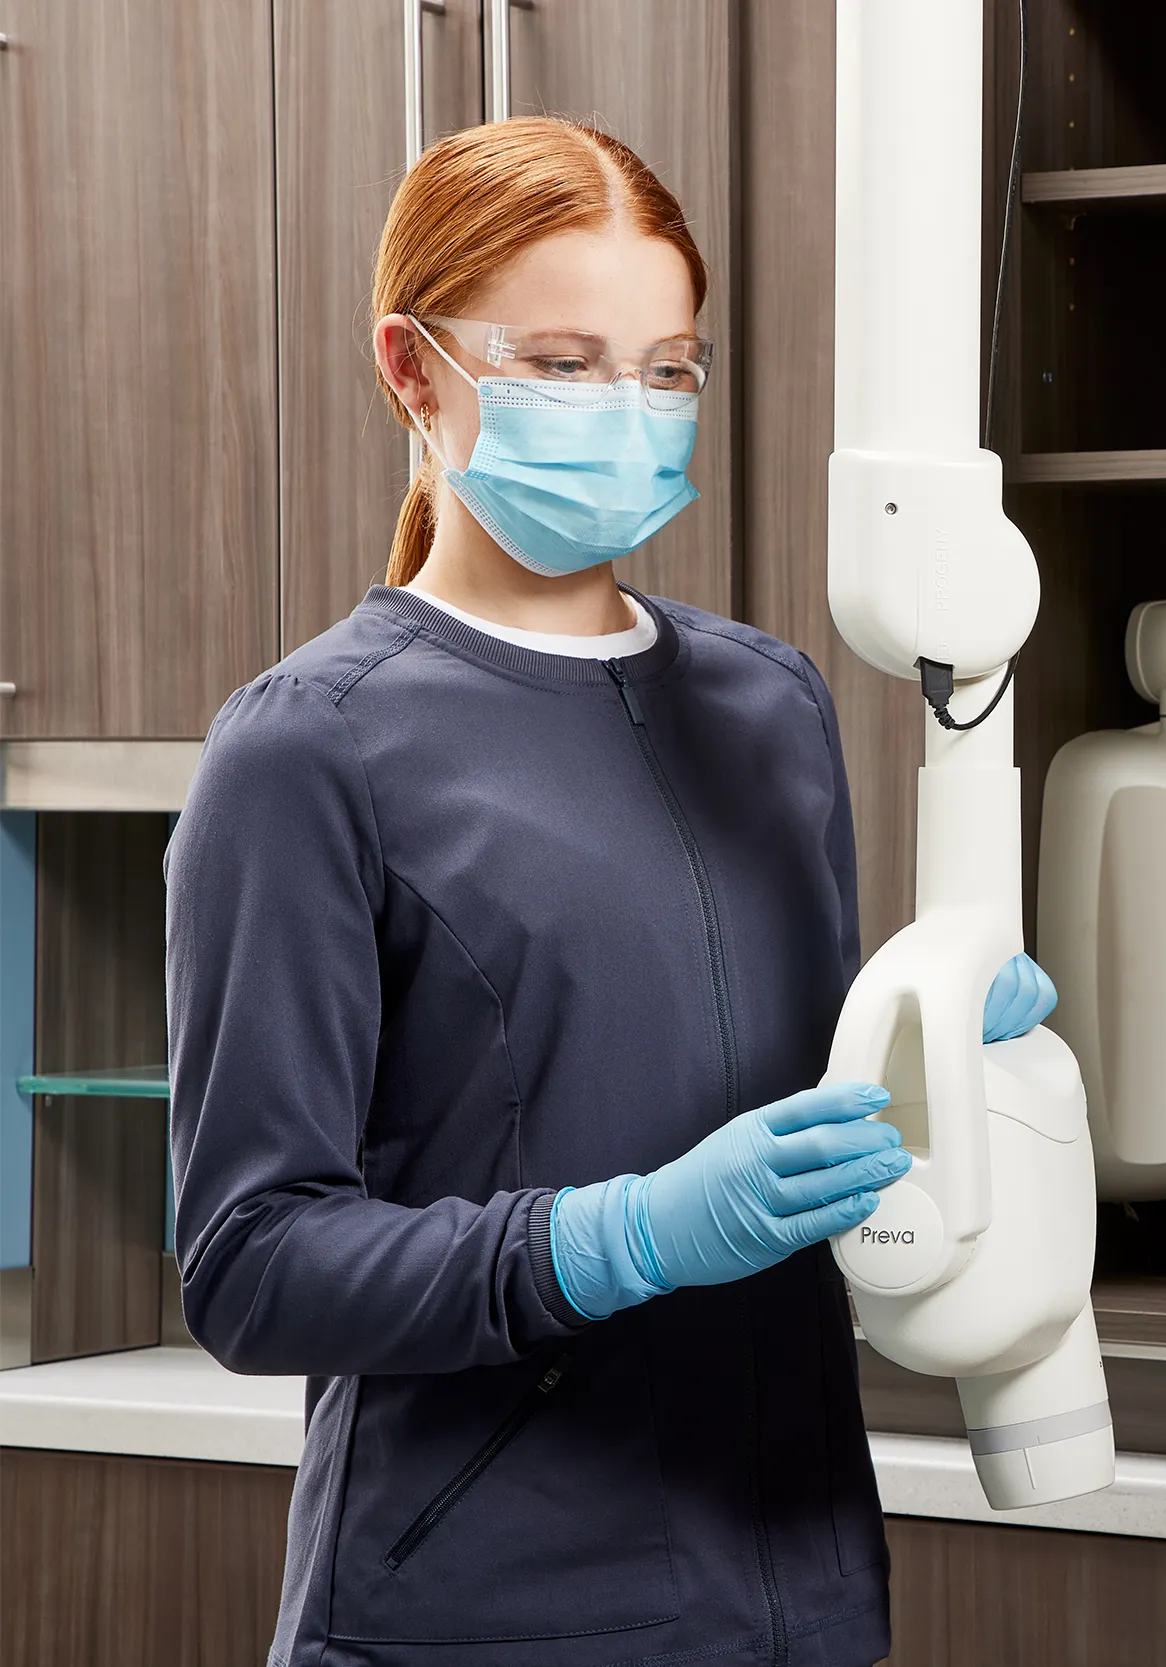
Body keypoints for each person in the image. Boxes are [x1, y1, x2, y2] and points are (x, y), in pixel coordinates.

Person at [166, 117, 1048, 1667]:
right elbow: (252, 1263)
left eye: (666, 367)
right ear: (412, 368)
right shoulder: (313, 750)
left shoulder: (772, 708)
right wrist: (611, 1240)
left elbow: (794, 1133)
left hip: (800, 1594)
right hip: (485, 1616)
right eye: (563, 364)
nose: (625, 413)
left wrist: (941, 1059)